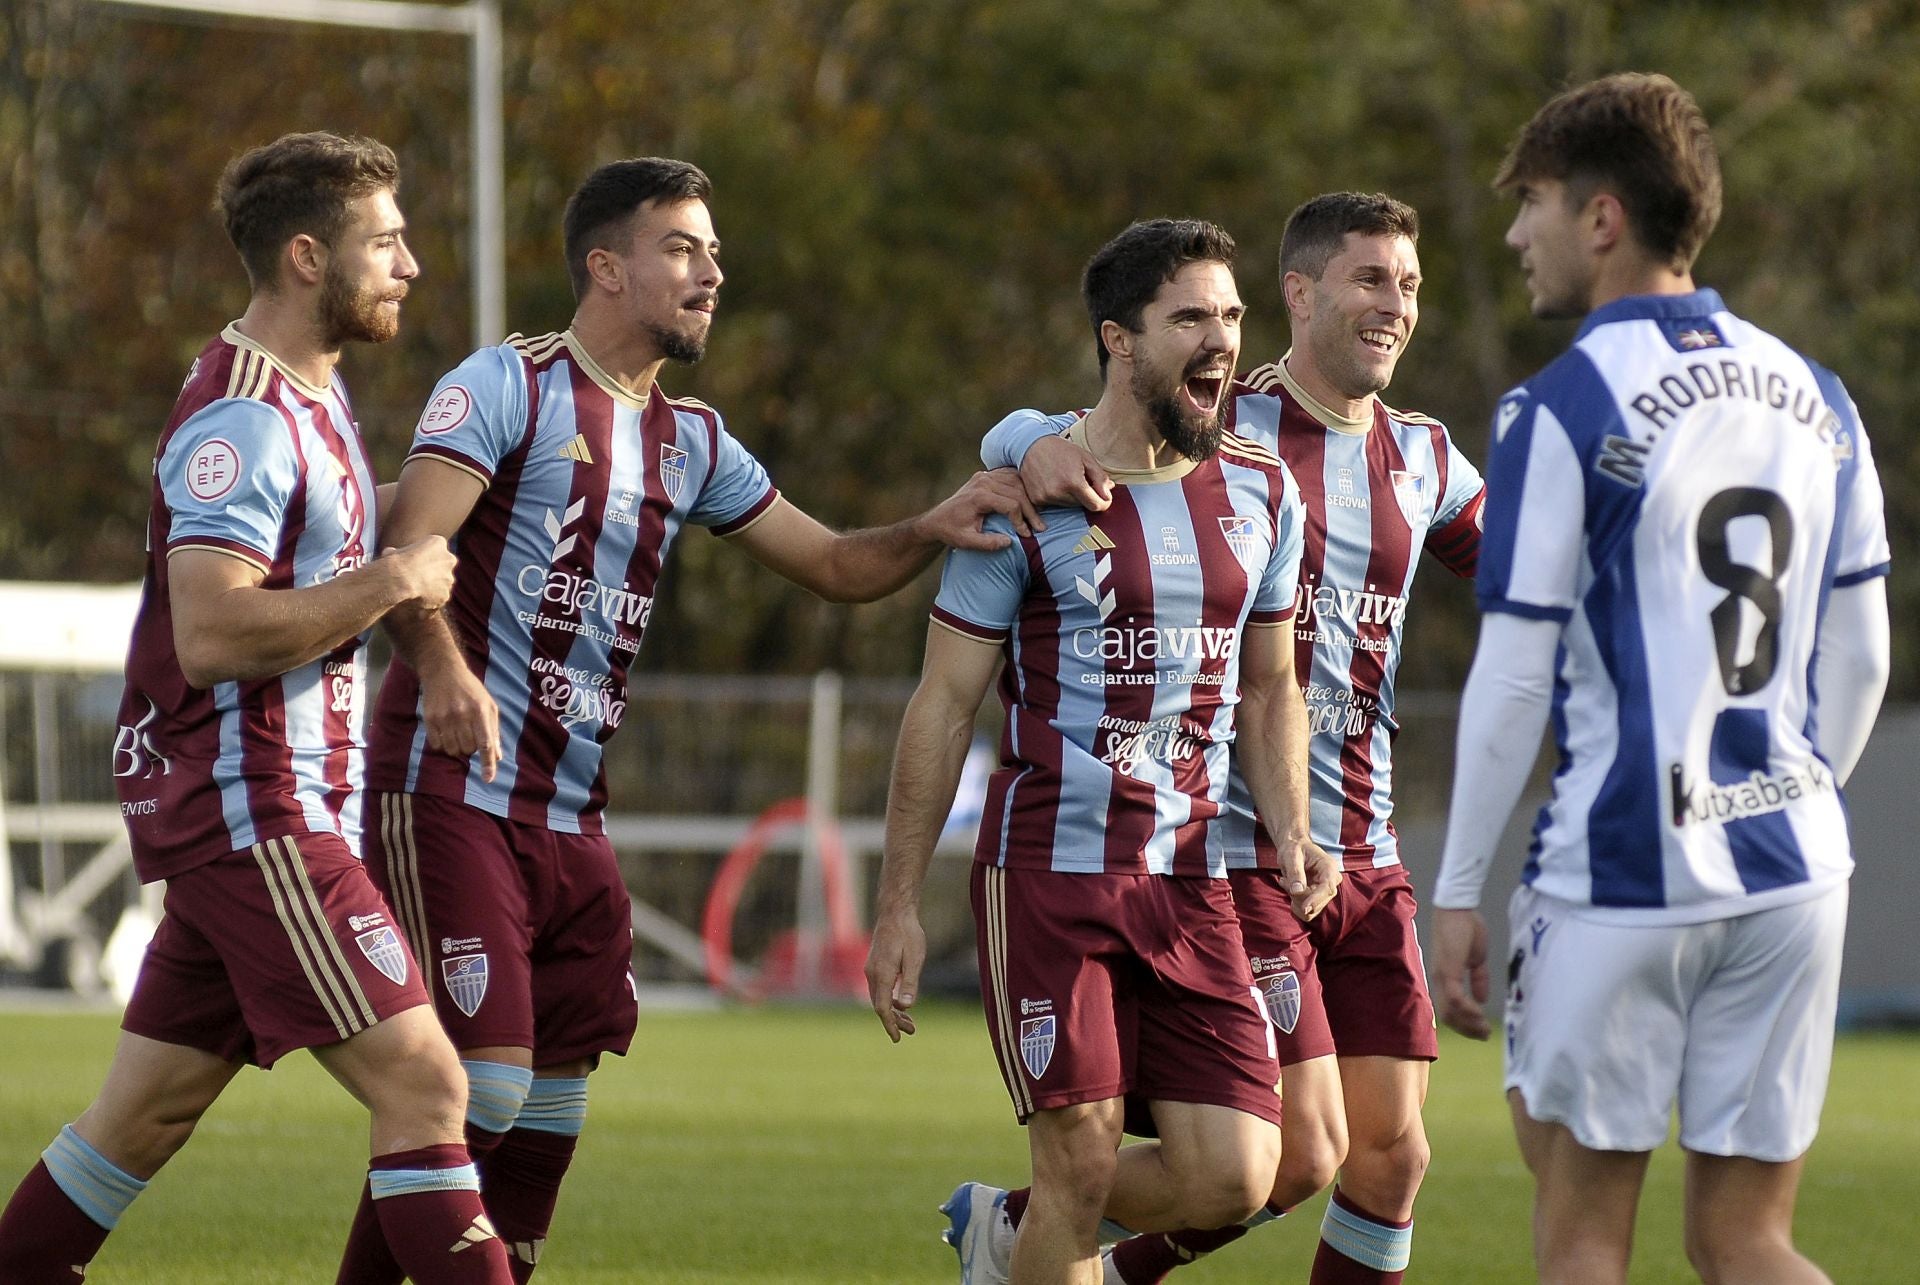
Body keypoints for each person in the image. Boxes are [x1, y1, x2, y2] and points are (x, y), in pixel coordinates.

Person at [330, 156, 1036, 1283]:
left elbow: (837, 565)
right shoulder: (506, 385)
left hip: (572, 819)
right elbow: (410, 552)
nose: (713, 271)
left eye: (713, 251)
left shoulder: (693, 441)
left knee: (550, 1116)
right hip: (452, 791)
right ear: (606, 267)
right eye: (683, 249)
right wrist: (447, 671)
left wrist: (932, 524)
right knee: (485, 1088)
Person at [0, 133, 512, 1283]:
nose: (410, 265)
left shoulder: (313, 398)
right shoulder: (243, 418)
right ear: (302, 256)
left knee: (140, 1121)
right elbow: (213, 630)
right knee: (430, 1084)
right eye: (384, 241)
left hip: (269, 816)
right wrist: (395, 580)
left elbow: (332, 537)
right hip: (258, 813)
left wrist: (440, 550)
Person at [967, 192, 1485, 1284]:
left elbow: (1532, 576)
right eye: (1371, 281)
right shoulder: (1219, 420)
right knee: (1292, 1157)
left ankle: (1054, 1249)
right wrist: (1023, 439)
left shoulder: (1426, 454)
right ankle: (1038, 1234)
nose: (1397, 306)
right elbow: (1066, 436)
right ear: (1298, 296)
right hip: (1236, 845)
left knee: (1390, 1155)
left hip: (1367, 846)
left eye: (1411, 285)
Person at [1428, 72, 1890, 1285]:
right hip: (1796, 868)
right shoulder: (1820, 398)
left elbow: (1517, 673)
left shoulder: (1560, 404)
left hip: (1626, 871)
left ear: (1601, 219)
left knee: (1584, 1237)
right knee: (1747, 1240)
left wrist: (1460, 887)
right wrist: (1784, 789)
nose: (1518, 234)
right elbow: (1867, 654)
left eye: (1531, 203)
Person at [866, 217, 1339, 1285]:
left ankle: (1007, 1235)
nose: (1220, 339)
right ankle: (1041, 1222)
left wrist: (1295, 827)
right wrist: (897, 901)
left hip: (1190, 881)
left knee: (1239, 1172)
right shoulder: (1030, 495)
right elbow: (942, 705)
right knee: (1077, 1158)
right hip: (1047, 877)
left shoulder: (1265, 494)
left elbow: (1270, 684)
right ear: (1120, 340)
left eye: (1230, 315)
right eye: (1190, 318)